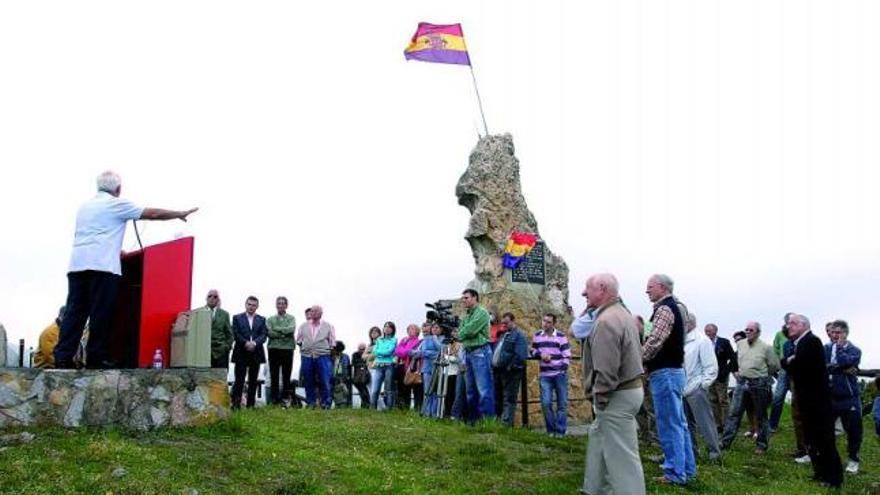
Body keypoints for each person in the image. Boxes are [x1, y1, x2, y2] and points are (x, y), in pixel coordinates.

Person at [55, 170, 198, 369]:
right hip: (103, 267)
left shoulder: (85, 207)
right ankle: (96, 358)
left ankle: (63, 357)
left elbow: (96, 234)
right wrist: (178, 214)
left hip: (78, 265)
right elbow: (152, 213)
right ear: (118, 189)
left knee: (75, 312)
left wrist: (115, 249)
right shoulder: (116, 204)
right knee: (101, 313)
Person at [582, 273, 645, 495]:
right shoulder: (623, 314)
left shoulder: (606, 321)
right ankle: (595, 490)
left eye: (587, 288)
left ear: (601, 289)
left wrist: (599, 399)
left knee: (622, 458)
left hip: (616, 395)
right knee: (599, 443)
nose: (583, 293)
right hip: (628, 391)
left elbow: (606, 370)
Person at [642, 274, 695, 485]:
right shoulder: (676, 307)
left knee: (668, 423)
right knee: (679, 423)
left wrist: (638, 360)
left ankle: (674, 473)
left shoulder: (664, 309)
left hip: (665, 372)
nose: (647, 291)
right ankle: (687, 469)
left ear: (662, 288)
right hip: (674, 372)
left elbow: (655, 340)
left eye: (650, 287)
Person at [783, 314, 843, 488]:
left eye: (793, 323)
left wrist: (789, 361)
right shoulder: (800, 343)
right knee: (812, 438)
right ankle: (820, 473)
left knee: (824, 439)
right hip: (807, 399)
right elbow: (789, 363)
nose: (789, 326)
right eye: (788, 324)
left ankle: (833, 478)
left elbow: (798, 367)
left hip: (818, 400)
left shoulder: (811, 342)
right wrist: (789, 361)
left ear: (803, 325)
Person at [720, 321, 779, 453]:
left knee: (760, 415)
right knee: (734, 413)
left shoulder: (766, 347)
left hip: (759, 383)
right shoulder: (740, 344)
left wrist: (763, 375)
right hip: (742, 382)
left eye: (751, 330)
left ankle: (761, 445)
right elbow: (737, 361)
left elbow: (774, 365)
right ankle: (725, 442)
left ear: (758, 332)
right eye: (746, 330)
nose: (747, 332)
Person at [825, 320, 863, 474]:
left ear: (846, 333)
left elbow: (845, 361)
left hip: (849, 396)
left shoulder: (855, 350)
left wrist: (840, 349)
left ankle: (853, 459)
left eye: (838, 332)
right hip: (830, 395)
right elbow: (821, 366)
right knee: (824, 428)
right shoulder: (826, 349)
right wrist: (839, 368)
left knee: (854, 430)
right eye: (832, 332)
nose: (834, 335)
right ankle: (823, 455)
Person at [682, 313, 721, 461]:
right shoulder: (682, 340)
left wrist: (702, 386)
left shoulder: (702, 341)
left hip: (696, 388)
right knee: (686, 424)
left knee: (705, 422)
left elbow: (711, 367)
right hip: (683, 388)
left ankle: (714, 453)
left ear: (690, 323)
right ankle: (692, 451)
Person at [457, 288, 495, 422]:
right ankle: (473, 421)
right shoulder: (466, 315)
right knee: (470, 391)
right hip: (468, 353)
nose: (464, 300)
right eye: (463, 298)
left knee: (484, 389)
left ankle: (487, 421)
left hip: (480, 352)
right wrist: (462, 333)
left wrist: (461, 333)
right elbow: (462, 332)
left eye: (466, 298)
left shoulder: (482, 313)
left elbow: (469, 330)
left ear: (475, 298)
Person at [531, 313, 571, 436]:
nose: (545, 323)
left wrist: (562, 369)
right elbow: (533, 350)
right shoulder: (537, 335)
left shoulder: (561, 336)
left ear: (553, 324)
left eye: (548, 322)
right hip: (545, 375)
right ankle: (551, 431)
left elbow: (567, 355)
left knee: (562, 403)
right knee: (546, 403)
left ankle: (560, 432)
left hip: (559, 374)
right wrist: (540, 355)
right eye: (544, 321)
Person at [295, 305, 336, 409]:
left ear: (321, 313)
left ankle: (326, 403)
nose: (313, 313)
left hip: (323, 356)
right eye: (312, 311)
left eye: (316, 311)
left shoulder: (328, 326)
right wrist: (306, 348)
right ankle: (310, 403)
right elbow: (299, 340)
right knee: (308, 380)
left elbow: (332, 343)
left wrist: (324, 351)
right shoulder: (303, 326)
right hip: (307, 356)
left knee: (325, 380)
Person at [230, 296, 267, 409]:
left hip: (256, 352)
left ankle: (251, 405)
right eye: (249, 304)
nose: (251, 307)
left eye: (254, 305)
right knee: (239, 380)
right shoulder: (237, 318)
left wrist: (254, 343)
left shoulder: (262, 319)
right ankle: (236, 405)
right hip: (241, 351)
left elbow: (263, 335)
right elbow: (235, 333)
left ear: (257, 306)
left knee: (253, 380)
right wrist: (246, 343)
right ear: (245, 305)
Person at [491, 312, 528, 426]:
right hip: (498, 371)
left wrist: (509, 367)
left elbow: (521, 356)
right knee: (498, 398)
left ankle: (506, 425)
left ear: (513, 321)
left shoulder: (519, 335)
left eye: (506, 323)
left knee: (509, 399)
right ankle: (498, 422)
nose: (504, 325)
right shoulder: (503, 335)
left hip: (510, 372)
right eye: (503, 323)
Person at [704, 323, 736, 432]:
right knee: (713, 400)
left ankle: (726, 424)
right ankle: (717, 424)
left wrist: (727, 370)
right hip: (709, 375)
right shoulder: (704, 343)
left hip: (721, 375)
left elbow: (732, 357)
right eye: (706, 331)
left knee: (723, 400)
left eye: (709, 331)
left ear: (715, 331)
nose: (707, 333)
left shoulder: (724, 342)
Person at [266, 296, 296, 406]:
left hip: (287, 349)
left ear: (286, 305)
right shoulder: (270, 319)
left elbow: (291, 330)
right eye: (279, 303)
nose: (281, 305)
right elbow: (269, 333)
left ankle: (285, 399)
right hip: (273, 349)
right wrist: (283, 333)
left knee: (286, 375)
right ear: (276, 305)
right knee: (274, 375)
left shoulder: (291, 318)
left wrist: (277, 330)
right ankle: (274, 399)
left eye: (283, 303)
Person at [768, 317, 791, 432]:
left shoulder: (800, 334)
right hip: (783, 370)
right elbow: (775, 350)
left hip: (797, 371)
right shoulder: (779, 335)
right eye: (788, 321)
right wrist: (778, 365)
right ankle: (772, 425)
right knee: (778, 397)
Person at [417, 322, 443, 416]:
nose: (435, 329)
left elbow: (441, 351)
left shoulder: (442, 339)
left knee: (436, 391)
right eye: (434, 328)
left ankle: (434, 412)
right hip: (426, 367)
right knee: (427, 391)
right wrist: (428, 353)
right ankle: (427, 413)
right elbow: (419, 352)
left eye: (437, 328)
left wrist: (435, 339)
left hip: (437, 368)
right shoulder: (425, 339)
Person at [395, 324, 423, 410]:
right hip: (401, 366)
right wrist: (406, 351)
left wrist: (404, 351)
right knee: (402, 387)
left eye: (413, 329)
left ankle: (415, 407)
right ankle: (402, 407)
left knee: (413, 387)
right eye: (409, 329)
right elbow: (397, 351)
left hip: (411, 367)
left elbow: (408, 352)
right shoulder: (404, 340)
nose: (410, 331)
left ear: (417, 331)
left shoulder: (418, 341)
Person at [370, 322, 397, 409]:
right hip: (378, 365)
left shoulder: (394, 340)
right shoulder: (379, 340)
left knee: (388, 388)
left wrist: (380, 353)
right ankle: (372, 408)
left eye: (389, 327)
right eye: (385, 327)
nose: (387, 328)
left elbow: (390, 351)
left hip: (389, 365)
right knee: (375, 389)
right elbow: (375, 352)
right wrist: (382, 353)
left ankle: (389, 408)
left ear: (392, 329)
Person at [203, 290, 233, 369]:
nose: (212, 298)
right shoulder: (199, 312)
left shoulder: (224, 314)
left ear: (218, 300)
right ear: (206, 298)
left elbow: (229, 333)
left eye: (215, 297)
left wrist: (226, 347)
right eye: (210, 296)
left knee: (220, 379)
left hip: (221, 351)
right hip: (203, 351)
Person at [331, 341, 352, 408]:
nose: (338, 352)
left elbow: (348, 368)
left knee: (342, 395)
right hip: (331, 377)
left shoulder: (346, 357)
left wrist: (348, 377)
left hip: (342, 378)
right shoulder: (329, 357)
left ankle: (343, 406)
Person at [351, 342, 371, 409]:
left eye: (363, 349)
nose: (361, 350)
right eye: (360, 349)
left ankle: (365, 405)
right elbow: (354, 363)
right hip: (357, 377)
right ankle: (365, 404)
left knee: (365, 391)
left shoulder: (368, 354)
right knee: (363, 391)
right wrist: (363, 364)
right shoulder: (355, 354)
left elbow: (368, 363)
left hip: (366, 376)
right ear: (358, 348)